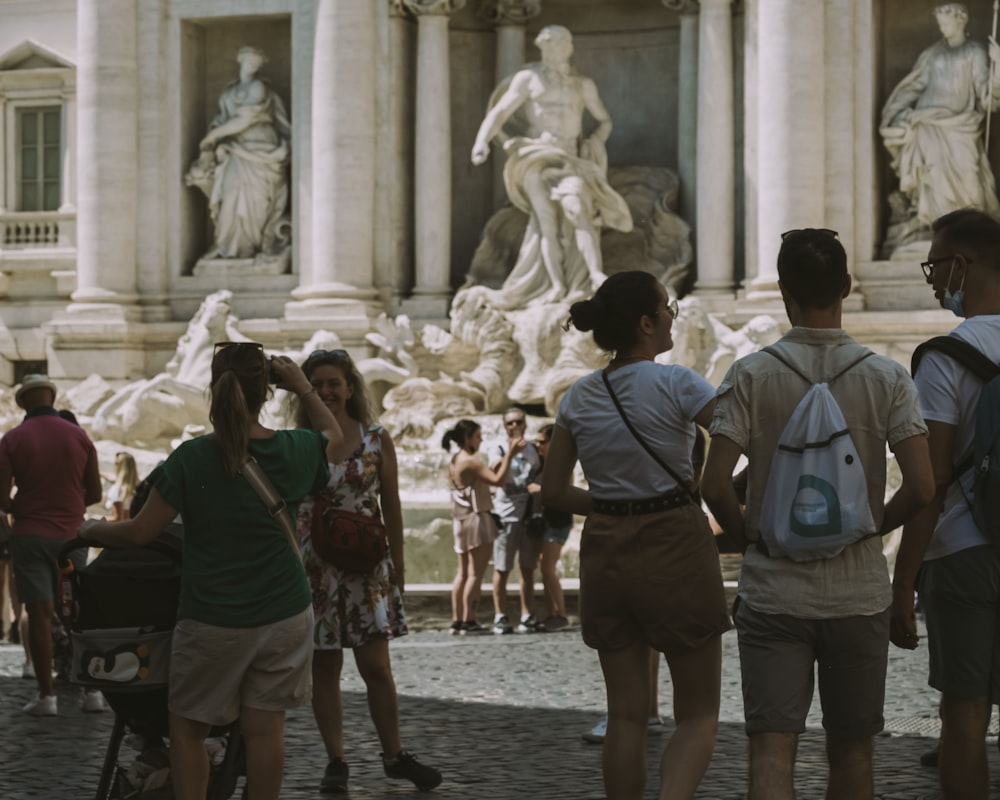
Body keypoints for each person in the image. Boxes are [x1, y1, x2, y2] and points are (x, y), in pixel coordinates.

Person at [701, 228, 935, 800]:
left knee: (772, 748)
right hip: (858, 592)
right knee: (852, 753)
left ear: (783, 290)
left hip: (774, 590)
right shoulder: (887, 377)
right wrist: (869, 525)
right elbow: (924, 486)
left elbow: (712, 484)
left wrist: (750, 535)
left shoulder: (751, 374)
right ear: (848, 288)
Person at [80, 342, 340, 800]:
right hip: (284, 612)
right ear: (267, 392)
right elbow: (334, 438)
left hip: (214, 617)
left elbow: (141, 533)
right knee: (265, 730)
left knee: (189, 729)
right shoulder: (295, 449)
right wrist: (301, 386)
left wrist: (94, 532)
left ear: (213, 390)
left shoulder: (192, 458)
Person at [541, 270, 729, 800]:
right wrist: (720, 488)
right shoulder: (679, 383)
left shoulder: (577, 396)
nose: (673, 316)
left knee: (625, 716)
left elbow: (554, 492)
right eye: (668, 307)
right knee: (697, 714)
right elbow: (740, 433)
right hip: (676, 541)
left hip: (605, 549)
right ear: (647, 323)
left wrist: (610, 501)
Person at [294, 349, 442, 794]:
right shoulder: (298, 441)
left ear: (351, 386)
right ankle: (336, 759)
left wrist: (397, 564)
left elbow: (391, 504)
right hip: (317, 565)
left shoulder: (377, 437)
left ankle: (394, 754)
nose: (326, 391)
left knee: (377, 666)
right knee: (325, 666)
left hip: (366, 564)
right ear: (305, 392)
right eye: (316, 384)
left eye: (333, 383)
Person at [891, 208, 1000, 800]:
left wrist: (902, 582)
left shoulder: (946, 355)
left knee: (964, 716)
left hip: (962, 551)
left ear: (962, 264)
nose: (933, 280)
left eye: (935, 265)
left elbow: (928, 480)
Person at [470, 24, 632, 308]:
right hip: (537, 155)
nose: (553, 51)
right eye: (548, 45)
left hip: (570, 158)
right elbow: (499, 113)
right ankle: (556, 286)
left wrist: (594, 141)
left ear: (569, 48)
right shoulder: (527, 80)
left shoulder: (583, 85)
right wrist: (481, 141)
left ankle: (594, 274)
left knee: (578, 207)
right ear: (541, 48)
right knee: (546, 222)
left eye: (559, 45)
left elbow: (604, 121)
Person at [0, 374, 102, 715]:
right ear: (52, 398)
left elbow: (2, 499)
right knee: (78, 614)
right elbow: (97, 493)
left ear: (24, 403)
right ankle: (92, 692)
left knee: (39, 614)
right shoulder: (79, 436)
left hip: (30, 534)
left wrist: (21, 505)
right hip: (72, 535)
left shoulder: (13, 439)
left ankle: (47, 697)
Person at [880, 4, 1000, 250]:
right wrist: (893, 113)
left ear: (961, 21)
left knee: (971, 182)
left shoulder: (975, 53)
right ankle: (935, 231)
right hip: (928, 124)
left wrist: (998, 68)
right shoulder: (932, 55)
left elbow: (989, 100)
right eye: (940, 23)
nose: (942, 27)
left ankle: (972, 235)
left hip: (962, 127)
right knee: (932, 175)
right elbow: (913, 86)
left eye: (947, 22)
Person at [186, 46, 291, 264]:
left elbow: (246, 119)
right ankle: (227, 246)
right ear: (240, 61)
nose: (252, 66)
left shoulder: (259, 87)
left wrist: (211, 136)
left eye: (256, 64)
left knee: (257, 200)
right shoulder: (229, 92)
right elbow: (223, 118)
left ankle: (250, 248)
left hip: (261, 148)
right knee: (231, 195)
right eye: (249, 62)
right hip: (234, 150)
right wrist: (215, 135)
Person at [443, 419, 523, 635]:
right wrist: (510, 454)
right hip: (476, 520)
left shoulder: (454, 460)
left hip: (460, 521)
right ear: (468, 438)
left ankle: (457, 621)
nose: (480, 441)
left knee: (463, 573)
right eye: (478, 437)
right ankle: (469, 621)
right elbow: (497, 480)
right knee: (475, 574)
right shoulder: (471, 461)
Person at [488, 408, 542, 634]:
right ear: (504, 426)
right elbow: (494, 475)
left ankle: (526, 614)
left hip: (528, 517)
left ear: (525, 423)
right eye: (510, 423)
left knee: (528, 568)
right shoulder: (497, 448)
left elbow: (538, 474)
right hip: (506, 515)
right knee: (502, 568)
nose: (515, 426)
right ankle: (500, 615)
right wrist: (510, 453)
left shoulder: (532, 450)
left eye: (519, 421)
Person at [530, 423, 571, 630]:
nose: (538, 446)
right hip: (545, 522)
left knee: (548, 568)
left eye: (542, 442)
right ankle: (552, 614)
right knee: (544, 569)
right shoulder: (542, 462)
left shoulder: (561, 462)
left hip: (558, 521)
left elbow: (563, 489)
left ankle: (561, 615)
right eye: (536, 442)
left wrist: (539, 489)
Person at [105, 452, 139, 522]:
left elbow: (117, 518)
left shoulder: (118, 490)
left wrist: (96, 518)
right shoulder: (137, 489)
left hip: (117, 530)